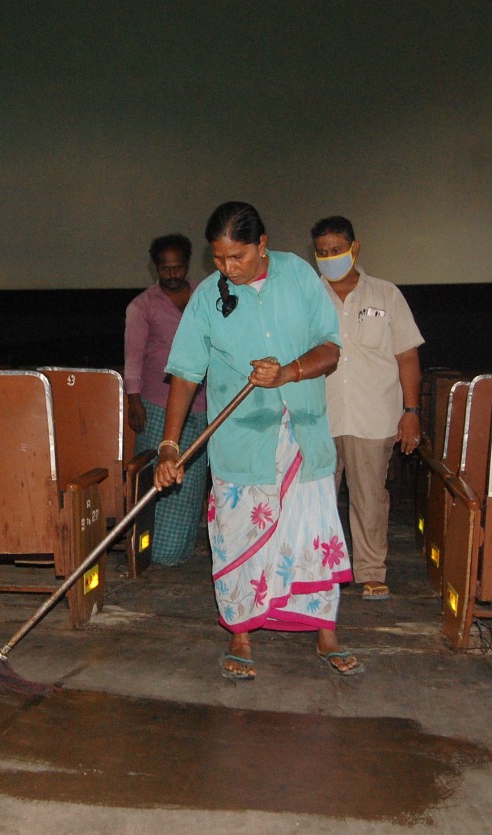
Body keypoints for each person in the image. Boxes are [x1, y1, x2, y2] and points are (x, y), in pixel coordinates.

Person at [155, 202, 361, 678]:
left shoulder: (300, 277)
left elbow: (330, 349)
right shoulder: (209, 295)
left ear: (262, 244)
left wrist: (288, 372)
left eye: (238, 257)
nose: (228, 268)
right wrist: (170, 446)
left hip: (303, 435)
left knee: (311, 533)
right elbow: (185, 372)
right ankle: (241, 637)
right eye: (220, 259)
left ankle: (325, 633)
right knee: (237, 534)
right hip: (241, 444)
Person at [312, 216, 424, 601]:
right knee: (318, 496)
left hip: (373, 416)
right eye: (322, 252)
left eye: (336, 250)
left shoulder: (385, 294)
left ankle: (371, 571)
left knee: (369, 497)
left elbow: (408, 356)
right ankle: (321, 568)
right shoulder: (309, 296)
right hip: (320, 416)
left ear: (354, 248)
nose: (329, 258)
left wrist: (411, 411)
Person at [124, 234, 209, 566]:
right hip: (158, 407)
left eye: (178, 267)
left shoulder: (206, 296)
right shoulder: (141, 306)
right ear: (155, 267)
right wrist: (134, 401)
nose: (173, 274)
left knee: (190, 485)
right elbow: (132, 357)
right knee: (158, 482)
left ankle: (180, 549)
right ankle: (151, 549)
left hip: (201, 406)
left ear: (187, 265)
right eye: (165, 268)